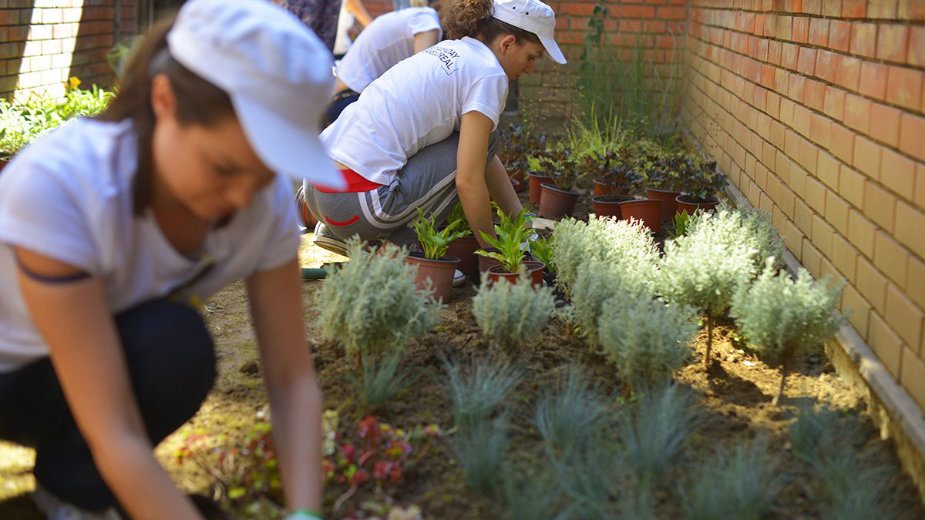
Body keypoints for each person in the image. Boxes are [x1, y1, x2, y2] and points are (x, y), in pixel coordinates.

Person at [0, 0, 343, 519]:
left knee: (174, 343)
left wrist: (306, 514)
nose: (242, 198)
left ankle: (72, 491)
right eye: (223, 167)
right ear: (163, 101)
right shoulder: (62, 185)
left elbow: (292, 379)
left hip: (83, 370)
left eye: (264, 171)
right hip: (11, 375)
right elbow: (113, 429)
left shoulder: (261, 198)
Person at [304, 0, 566, 256]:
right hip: (356, 203)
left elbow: (486, 158)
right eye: (531, 56)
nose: (531, 68)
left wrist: (521, 224)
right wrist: (494, 251)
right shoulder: (489, 74)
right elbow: (468, 181)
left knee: (479, 144)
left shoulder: (451, 51)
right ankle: (401, 255)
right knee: (477, 151)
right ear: (508, 43)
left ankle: (340, 234)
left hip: (317, 189)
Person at [325, 2, 442, 126]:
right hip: (347, 101)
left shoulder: (419, 15)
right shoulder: (427, 22)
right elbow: (422, 80)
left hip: (339, 99)